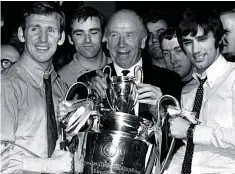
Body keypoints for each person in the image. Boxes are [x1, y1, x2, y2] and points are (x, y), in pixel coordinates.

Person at [1, 2, 72, 173]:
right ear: (22, 34)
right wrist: (49, 166)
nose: (43, 39)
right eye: (35, 29)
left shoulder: (60, 87)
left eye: (50, 30)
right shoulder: (7, 85)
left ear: (61, 37)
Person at [164, 8, 235, 174]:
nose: (195, 50)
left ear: (219, 39)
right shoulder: (188, 90)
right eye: (188, 42)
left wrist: (191, 131)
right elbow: (190, 150)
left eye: (202, 39)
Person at [78, 9, 182, 121]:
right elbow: (78, 132)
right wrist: (91, 102)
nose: (121, 44)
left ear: (143, 41)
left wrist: (160, 111)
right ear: (107, 42)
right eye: (114, 35)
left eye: (129, 35)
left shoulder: (170, 81)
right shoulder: (88, 82)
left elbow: (178, 134)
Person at [58, 6, 112, 87]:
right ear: (70, 39)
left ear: (104, 36)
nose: (87, 40)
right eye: (79, 34)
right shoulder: (60, 79)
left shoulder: (120, 68)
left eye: (93, 33)